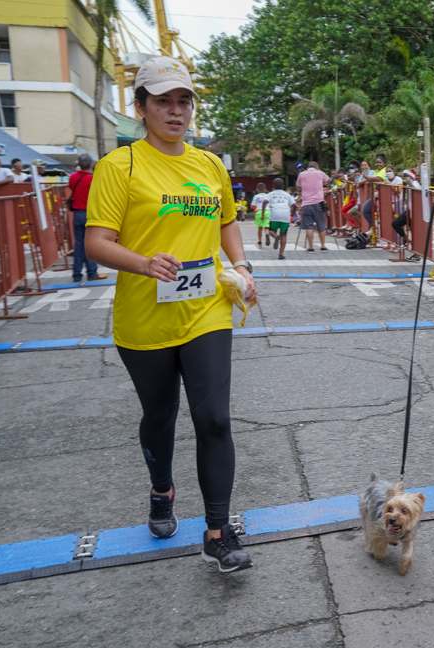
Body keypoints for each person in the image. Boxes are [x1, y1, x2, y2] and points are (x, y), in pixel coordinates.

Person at [84, 56, 256, 572]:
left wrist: (242, 266)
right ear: (140, 108)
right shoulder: (120, 166)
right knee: (160, 418)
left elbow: (227, 222)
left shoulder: (208, 165)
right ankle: (162, 490)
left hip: (207, 309)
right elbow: (96, 242)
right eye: (163, 101)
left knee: (215, 419)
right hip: (145, 317)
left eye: (184, 101)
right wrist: (144, 263)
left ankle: (218, 531)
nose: (176, 111)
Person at [68, 153, 107, 282]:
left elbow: (71, 187)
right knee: (92, 244)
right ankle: (92, 272)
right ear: (91, 165)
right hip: (90, 214)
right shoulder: (93, 178)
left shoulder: (73, 177)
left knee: (79, 244)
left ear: (78, 164)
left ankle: (77, 274)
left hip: (77, 214)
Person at [296, 161, 330, 253]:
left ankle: (311, 247)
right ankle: (323, 246)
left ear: (307, 167)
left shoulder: (302, 174)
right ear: (317, 167)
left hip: (306, 203)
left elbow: (297, 187)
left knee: (309, 226)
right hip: (319, 202)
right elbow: (328, 180)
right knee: (321, 226)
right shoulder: (320, 173)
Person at [266, 178, 295, 259]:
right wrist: (291, 215)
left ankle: (275, 236)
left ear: (273, 186)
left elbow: (265, 202)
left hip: (275, 215)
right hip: (285, 216)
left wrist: (263, 213)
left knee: (271, 230)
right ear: (283, 186)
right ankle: (281, 254)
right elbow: (295, 205)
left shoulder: (270, 194)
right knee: (284, 235)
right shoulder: (287, 194)